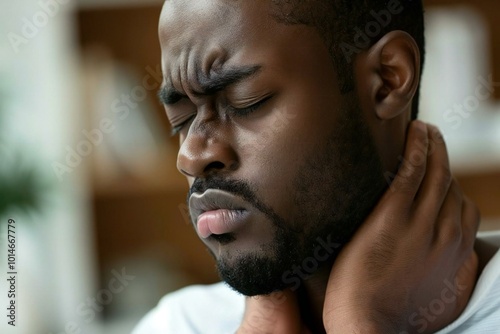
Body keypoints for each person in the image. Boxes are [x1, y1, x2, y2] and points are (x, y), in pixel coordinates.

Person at [133, 0, 500, 333]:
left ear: (387, 80)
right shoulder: (178, 324)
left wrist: (357, 322)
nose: (190, 157)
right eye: (180, 118)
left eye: (247, 101)